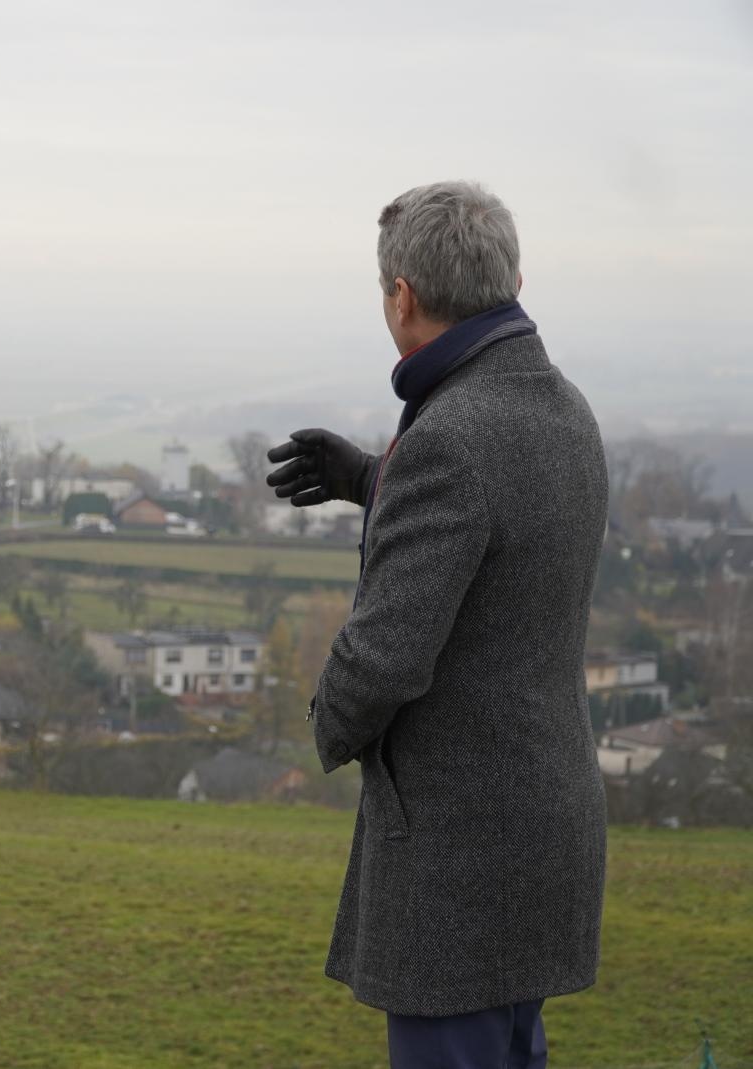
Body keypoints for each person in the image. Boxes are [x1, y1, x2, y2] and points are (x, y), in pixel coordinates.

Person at [264, 182, 607, 1069]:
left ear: (402, 295)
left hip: (461, 856)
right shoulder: (562, 407)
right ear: (513, 280)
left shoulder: (450, 436)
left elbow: (384, 657)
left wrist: (328, 717)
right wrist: (370, 479)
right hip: (545, 824)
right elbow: (502, 521)